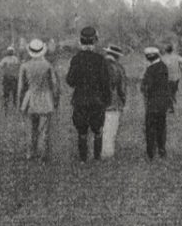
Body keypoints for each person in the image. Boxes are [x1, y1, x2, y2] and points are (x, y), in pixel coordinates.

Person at [65, 26, 111, 163]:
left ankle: (83, 159)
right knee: (97, 130)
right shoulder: (100, 60)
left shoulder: (76, 59)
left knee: (82, 131)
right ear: (94, 41)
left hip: (80, 99)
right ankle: (97, 157)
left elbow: (70, 81)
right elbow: (105, 82)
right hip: (97, 100)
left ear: (81, 41)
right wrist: (106, 100)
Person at [17, 38, 60, 162]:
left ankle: (30, 153)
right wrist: (55, 100)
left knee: (31, 129)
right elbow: (54, 85)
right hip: (45, 98)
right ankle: (42, 154)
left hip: (30, 99)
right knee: (43, 130)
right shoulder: (48, 65)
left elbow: (20, 87)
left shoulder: (24, 66)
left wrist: (20, 103)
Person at [140, 47, 172, 159]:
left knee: (150, 128)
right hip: (162, 102)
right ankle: (162, 150)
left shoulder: (150, 70)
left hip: (152, 102)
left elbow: (146, 87)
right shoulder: (164, 67)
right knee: (161, 127)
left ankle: (150, 153)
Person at [102, 45, 127, 158]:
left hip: (98, 102)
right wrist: (123, 101)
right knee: (111, 130)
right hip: (113, 102)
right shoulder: (119, 68)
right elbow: (122, 89)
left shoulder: (98, 66)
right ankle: (107, 153)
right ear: (117, 56)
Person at [161, 42, 182, 111]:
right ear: (172, 50)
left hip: (167, 77)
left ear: (165, 50)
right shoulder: (176, 56)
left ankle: (171, 106)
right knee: (172, 91)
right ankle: (171, 103)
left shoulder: (163, 58)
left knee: (168, 92)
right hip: (176, 77)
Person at [0, 46, 21, 114]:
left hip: (7, 79)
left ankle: (6, 109)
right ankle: (14, 108)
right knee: (14, 94)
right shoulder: (16, 59)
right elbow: (19, 67)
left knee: (6, 94)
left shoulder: (4, 59)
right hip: (14, 78)